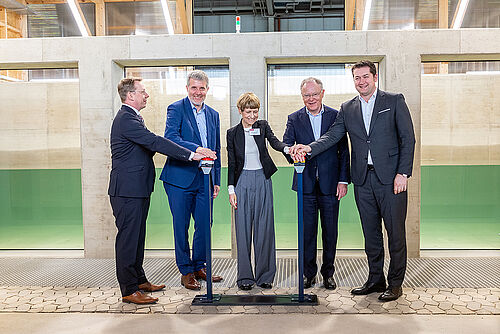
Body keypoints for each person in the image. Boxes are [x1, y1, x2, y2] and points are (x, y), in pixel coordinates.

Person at [291, 60, 415, 301]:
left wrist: (403, 173)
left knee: (396, 234)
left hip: (392, 180)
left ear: (374, 77)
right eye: (357, 78)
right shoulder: (348, 108)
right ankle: (376, 279)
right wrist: (308, 148)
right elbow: (332, 137)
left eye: (365, 77)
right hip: (362, 179)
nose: (361, 81)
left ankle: (396, 283)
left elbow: (407, 139)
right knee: (371, 234)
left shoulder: (394, 100)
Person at [108, 77, 206, 304]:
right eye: (143, 92)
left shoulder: (134, 118)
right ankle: (129, 290)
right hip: (127, 191)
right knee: (128, 240)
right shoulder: (126, 119)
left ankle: (139, 280)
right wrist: (191, 154)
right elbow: (154, 142)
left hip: (138, 189)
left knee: (137, 237)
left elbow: (149, 144)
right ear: (130, 95)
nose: (147, 95)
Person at [283, 77, 350, 290]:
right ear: (302, 96)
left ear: (322, 93)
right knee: (307, 232)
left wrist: (343, 180)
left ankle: (328, 274)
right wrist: (291, 152)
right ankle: (308, 274)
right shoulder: (294, 118)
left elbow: (343, 151)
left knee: (330, 232)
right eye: (306, 95)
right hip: (305, 185)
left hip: (331, 185)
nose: (310, 99)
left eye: (314, 94)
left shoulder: (336, 116)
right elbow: (286, 145)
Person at [159, 70, 223, 290]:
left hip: (205, 178)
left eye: (202, 88)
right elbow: (171, 138)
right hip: (179, 178)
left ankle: (199, 266)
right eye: (194, 88)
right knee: (181, 226)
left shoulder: (213, 114)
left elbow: (216, 149)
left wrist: (217, 178)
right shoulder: (176, 109)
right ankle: (186, 271)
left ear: (207, 89)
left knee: (205, 224)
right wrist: (197, 149)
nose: (198, 92)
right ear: (187, 89)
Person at [227, 92, 289, 290]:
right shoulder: (232, 133)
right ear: (240, 111)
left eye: (255, 111)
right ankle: (245, 277)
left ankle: (265, 276)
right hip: (242, 181)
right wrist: (231, 190)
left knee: (265, 228)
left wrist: (288, 150)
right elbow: (232, 162)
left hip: (263, 179)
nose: (252, 116)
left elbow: (275, 142)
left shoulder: (262, 126)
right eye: (248, 111)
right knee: (243, 230)